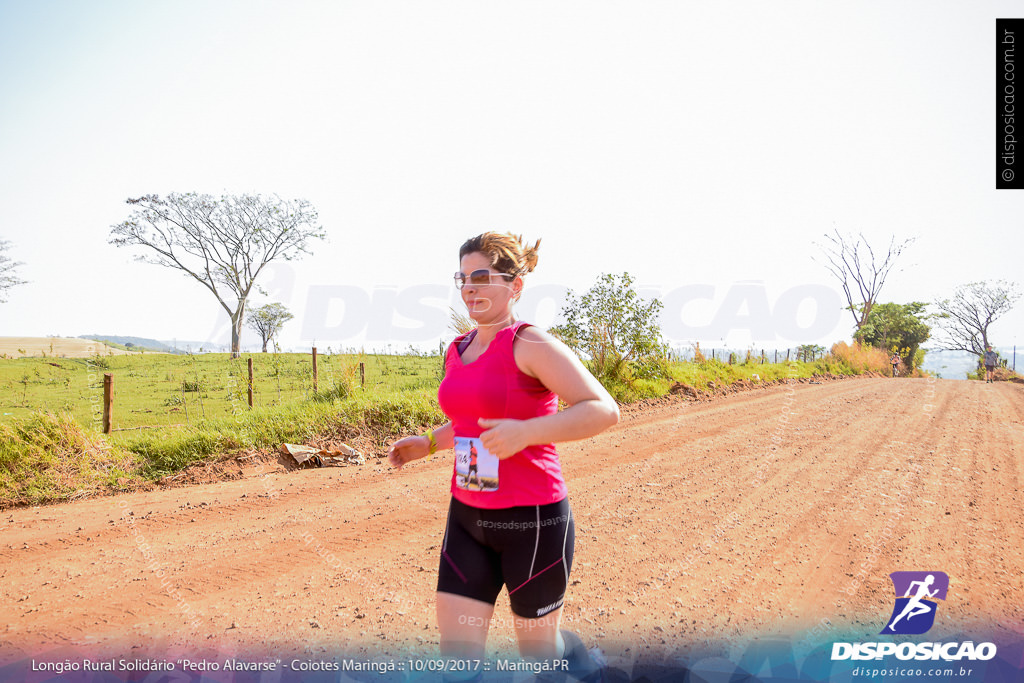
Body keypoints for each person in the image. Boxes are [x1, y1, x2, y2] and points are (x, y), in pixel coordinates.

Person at [387, 232, 620, 682]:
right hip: (468, 516)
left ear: (514, 286)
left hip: (532, 521)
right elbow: (472, 421)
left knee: (540, 659)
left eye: (481, 277)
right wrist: (429, 443)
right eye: (462, 278)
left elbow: (603, 410)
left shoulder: (530, 344)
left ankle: (577, 659)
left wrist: (527, 433)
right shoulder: (458, 349)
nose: (469, 288)